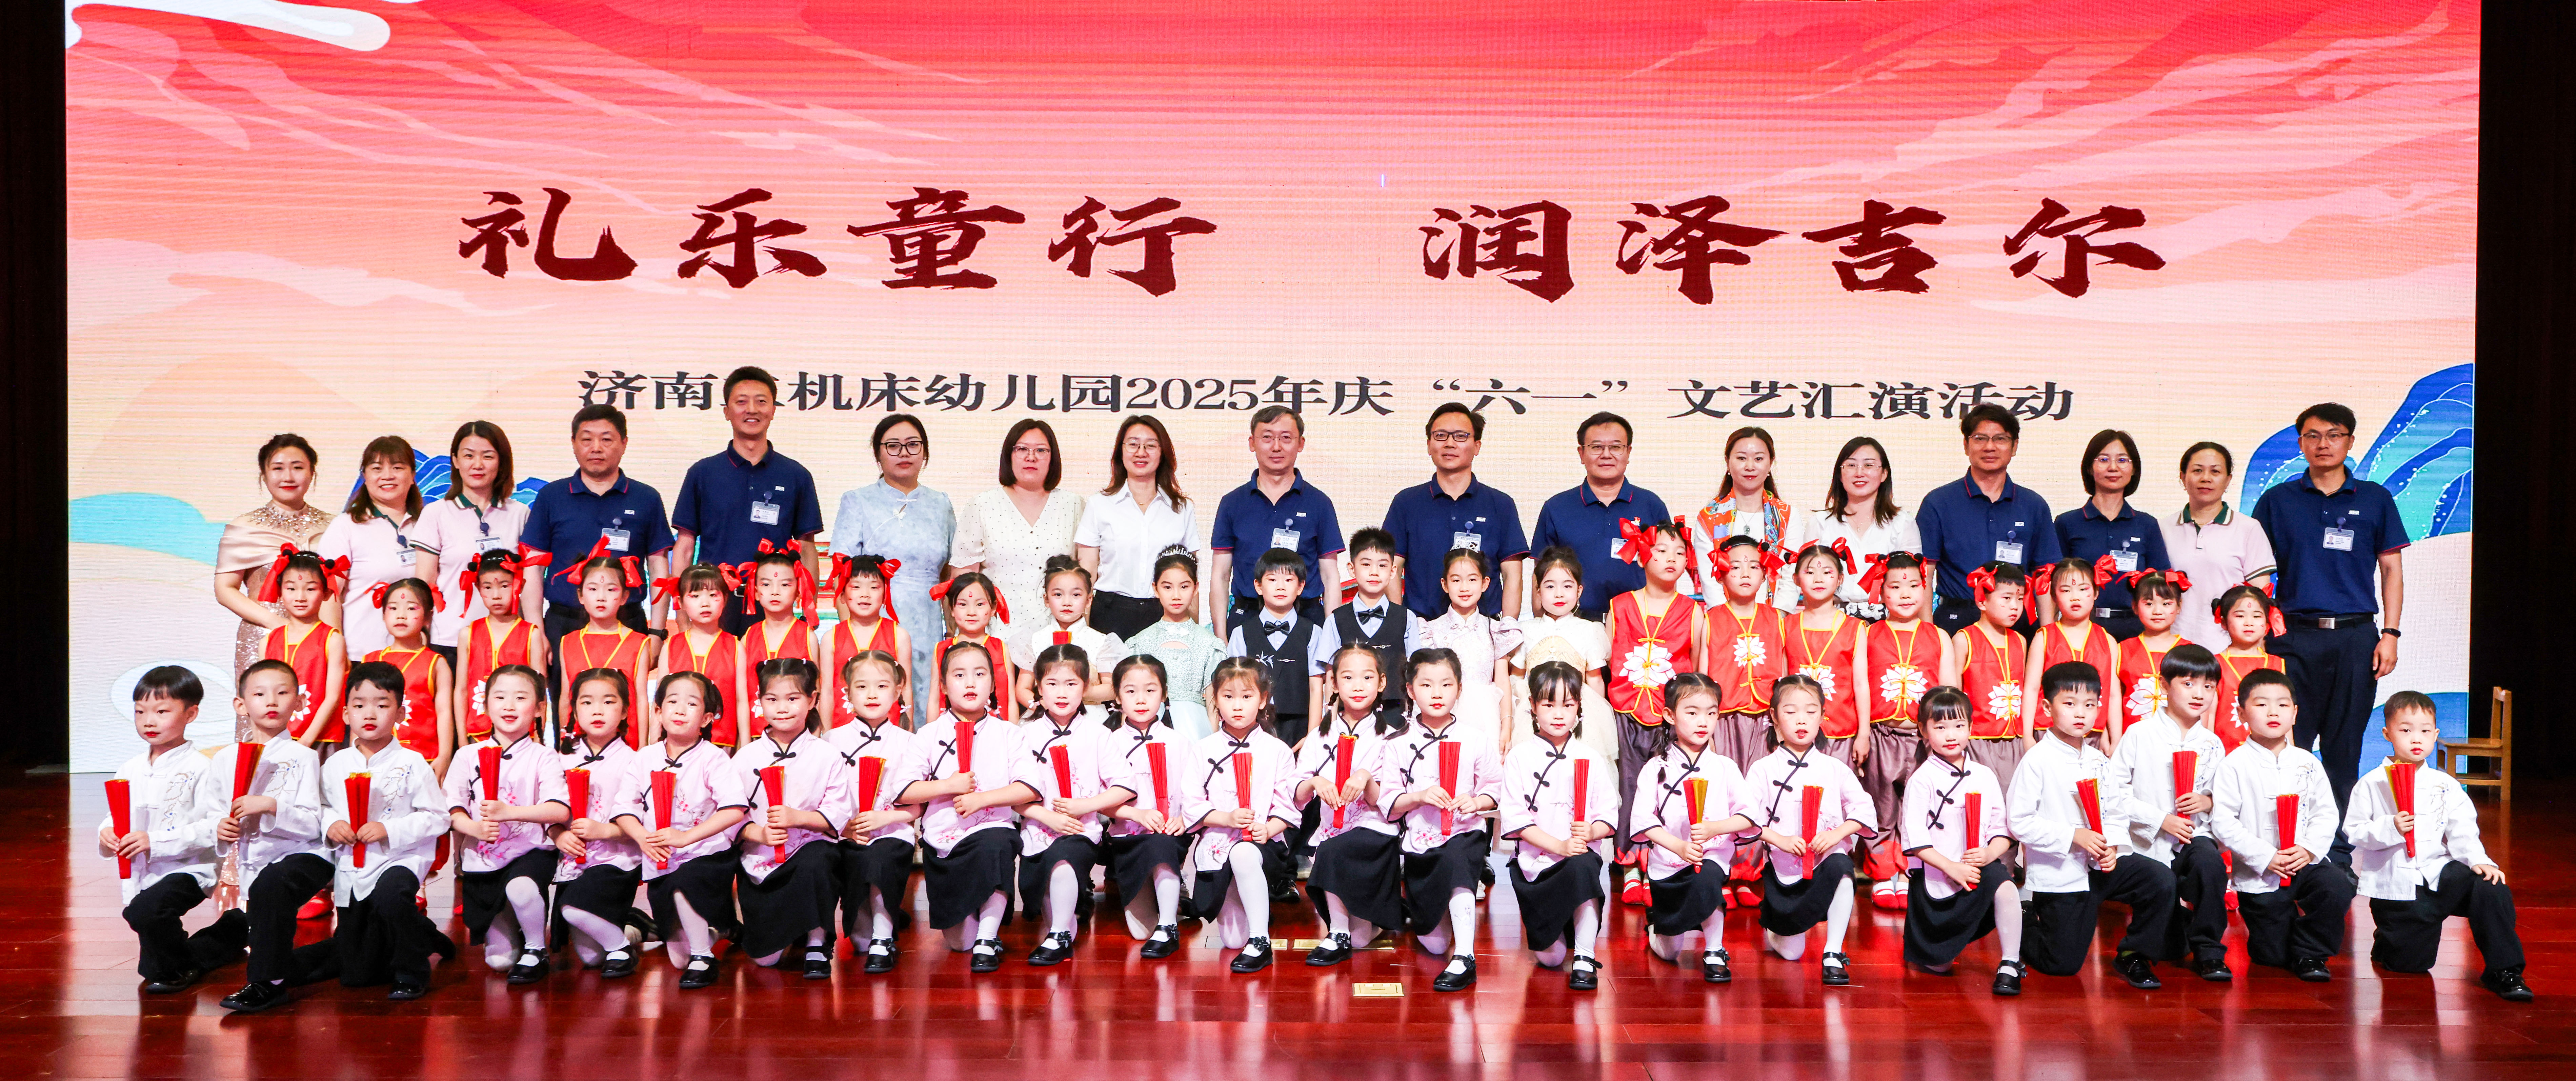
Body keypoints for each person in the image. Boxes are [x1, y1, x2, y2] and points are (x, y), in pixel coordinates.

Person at [2251, 403, 2409, 826]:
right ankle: (2285, 838)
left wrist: (2390, 634)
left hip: (2355, 639)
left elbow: (2391, 570)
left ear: (2350, 442)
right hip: (2291, 638)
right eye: (2313, 436)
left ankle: (2337, 846)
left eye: (2334, 435)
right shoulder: (2277, 501)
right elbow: (2256, 571)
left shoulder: (2375, 499)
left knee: (2344, 747)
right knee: (2287, 743)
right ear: (2300, 443)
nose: (2324, 444)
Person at [2344, 692, 2533, 1001]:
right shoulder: (2371, 783)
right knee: (2409, 965)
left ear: (2436, 735)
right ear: (2388, 734)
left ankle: (2505, 971)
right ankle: (2388, 939)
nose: (2416, 738)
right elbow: (2354, 831)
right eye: (2406, 730)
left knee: (2490, 885)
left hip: (2438, 873)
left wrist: (2478, 859)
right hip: (2400, 886)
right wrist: (2390, 827)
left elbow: (2463, 829)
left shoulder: (2445, 784)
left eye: (2425, 730)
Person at [2006, 662, 2174, 990]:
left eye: (2090, 704)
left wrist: (2113, 846)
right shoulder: (2037, 760)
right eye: (2069, 704)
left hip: (2101, 866)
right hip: (2062, 873)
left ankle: (2134, 954)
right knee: (2062, 965)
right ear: (2047, 708)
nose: (2080, 713)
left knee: (2159, 879)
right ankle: (2024, 917)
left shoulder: (2099, 760)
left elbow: (2115, 811)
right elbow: (2019, 822)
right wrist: (2073, 836)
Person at [308, 662, 457, 998]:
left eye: (382, 704)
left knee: (392, 899)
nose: (369, 713)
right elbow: (321, 807)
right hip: (353, 863)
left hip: (399, 858)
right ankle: (426, 935)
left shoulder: (413, 763)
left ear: (400, 713)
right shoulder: (335, 765)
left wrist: (388, 829)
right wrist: (332, 824)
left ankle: (412, 973)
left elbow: (438, 817)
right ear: (346, 714)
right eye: (360, 705)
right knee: (358, 976)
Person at [104, 665, 244, 994]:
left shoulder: (202, 767)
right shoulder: (130, 767)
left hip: (189, 868)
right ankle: (233, 931)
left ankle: (186, 962)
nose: (148, 721)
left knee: (148, 915)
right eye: (140, 712)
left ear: (191, 714)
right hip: (144, 869)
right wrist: (107, 830)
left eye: (162, 712)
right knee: (152, 965)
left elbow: (214, 827)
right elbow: (116, 814)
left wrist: (154, 842)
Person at [2210, 668, 2350, 982]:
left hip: (2303, 862)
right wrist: (2265, 856)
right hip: (2261, 872)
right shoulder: (2233, 764)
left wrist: (2308, 849)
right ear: (2241, 713)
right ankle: (2283, 936)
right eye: (2262, 705)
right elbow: (2223, 821)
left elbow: (2326, 813)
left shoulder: (2308, 762)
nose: (2273, 712)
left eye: (2283, 705)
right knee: (2271, 957)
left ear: (2295, 714)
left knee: (2337, 885)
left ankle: (2311, 953)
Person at [890, 642, 1021, 973]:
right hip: (944, 842)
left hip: (991, 831)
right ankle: (977, 931)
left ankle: (988, 938)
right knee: (960, 942)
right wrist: (948, 786)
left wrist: (982, 799)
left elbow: (1028, 787)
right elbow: (903, 791)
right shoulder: (928, 734)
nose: (971, 683)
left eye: (980, 674)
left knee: (999, 841)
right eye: (960, 675)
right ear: (945, 686)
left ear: (993, 683)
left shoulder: (1009, 733)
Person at [1378, 648, 1505, 992]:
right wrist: (1419, 796)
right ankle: (1432, 914)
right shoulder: (1396, 744)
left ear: (1459, 689)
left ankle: (1465, 957)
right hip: (1420, 843)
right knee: (1434, 944)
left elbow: (1495, 789)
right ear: (1410, 690)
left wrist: (1476, 802)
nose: (1437, 693)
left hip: (1464, 833)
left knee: (1458, 862)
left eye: (1446, 685)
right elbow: (1389, 802)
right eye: (1427, 685)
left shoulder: (1475, 738)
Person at [2106, 644, 2231, 981]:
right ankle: (2134, 954)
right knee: (2166, 930)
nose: (2199, 694)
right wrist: (2160, 819)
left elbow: (2224, 797)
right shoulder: (2139, 734)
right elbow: (2113, 793)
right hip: (2147, 839)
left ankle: (2209, 952)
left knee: (2210, 864)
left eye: (2208, 686)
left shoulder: (2212, 743)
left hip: (2193, 835)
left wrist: (2208, 801)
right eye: (2188, 684)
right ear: (2164, 685)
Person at [617, 668, 748, 990]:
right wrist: (643, 839)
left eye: (692, 704)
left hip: (705, 855)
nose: (680, 710)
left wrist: (687, 837)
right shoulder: (643, 758)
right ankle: (721, 931)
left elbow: (735, 809)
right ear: (658, 711)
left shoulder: (714, 758)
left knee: (684, 885)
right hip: (660, 857)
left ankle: (705, 957)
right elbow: (623, 810)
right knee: (678, 958)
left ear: (706, 718)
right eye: (672, 702)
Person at [213, 661, 330, 1013]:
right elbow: (212, 811)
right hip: (255, 861)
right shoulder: (224, 759)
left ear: (299, 702)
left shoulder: (304, 757)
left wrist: (270, 806)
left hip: (304, 854)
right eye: (260, 694)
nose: (272, 701)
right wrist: (219, 828)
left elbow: (312, 824)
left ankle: (267, 984)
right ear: (241, 704)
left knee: (271, 885)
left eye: (282, 693)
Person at [1741, 674, 1873, 986]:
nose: (1802, 719)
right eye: (1791, 711)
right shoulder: (1762, 769)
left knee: (1842, 867)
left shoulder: (1835, 768)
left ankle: (1833, 952)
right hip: (1784, 870)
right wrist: (1780, 840)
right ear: (1774, 716)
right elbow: (1746, 819)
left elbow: (1864, 810)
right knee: (1791, 953)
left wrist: (1837, 834)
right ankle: (1775, 926)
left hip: (1824, 861)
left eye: (1811, 711)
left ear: (1823, 716)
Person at [672, 367, 823, 635]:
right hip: (714, 604)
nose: (752, 409)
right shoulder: (703, 473)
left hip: (774, 607)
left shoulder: (796, 475)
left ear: (773, 410)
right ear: (727, 411)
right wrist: (682, 616)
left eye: (761, 401)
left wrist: (808, 610)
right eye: (741, 402)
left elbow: (807, 548)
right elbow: (684, 548)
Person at [518, 404, 673, 661]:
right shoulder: (551, 497)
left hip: (628, 624)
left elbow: (659, 568)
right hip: (564, 624)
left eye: (607, 440)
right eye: (587, 440)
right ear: (573, 444)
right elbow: (533, 567)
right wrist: (536, 632)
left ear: (624, 444)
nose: (596, 448)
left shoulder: (646, 498)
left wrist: (657, 632)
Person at [831, 413, 956, 726]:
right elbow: (841, 577)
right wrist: (852, 634)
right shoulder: (857, 501)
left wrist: (953, 631)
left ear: (925, 452)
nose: (904, 453)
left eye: (913, 445)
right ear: (878, 453)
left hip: (927, 622)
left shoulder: (941, 503)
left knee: (926, 703)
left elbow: (948, 577)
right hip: (874, 621)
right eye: (893, 446)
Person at [1897, 687, 2024, 994]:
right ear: (1923, 730)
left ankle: (2010, 963)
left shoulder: (1984, 774)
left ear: (1970, 727)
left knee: (2006, 886)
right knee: (1939, 965)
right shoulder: (1921, 779)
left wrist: (1989, 854)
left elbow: (2002, 829)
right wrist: (1952, 867)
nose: (1951, 735)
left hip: (1979, 866)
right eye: (1940, 727)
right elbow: (1915, 839)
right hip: (1937, 873)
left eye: (1958, 725)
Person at [1498, 661, 1616, 990]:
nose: (1559, 714)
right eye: (1549, 705)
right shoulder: (1519, 757)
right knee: (1551, 958)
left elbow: (1608, 814)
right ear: (1533, 706)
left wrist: (1592, 832)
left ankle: (1585, 956)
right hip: (1536, 865)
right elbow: (1518, 820)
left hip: (1578, 857)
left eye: (1568, 705)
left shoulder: (1590, 757)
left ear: (1579, 707)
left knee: (1584, 867)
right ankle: (1560, 929)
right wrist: (1559, 846)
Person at [732, 658, 851, 979]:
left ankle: (817, 941)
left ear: (812, 700)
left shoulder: (827, 754)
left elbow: (838, 813)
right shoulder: (744, 758)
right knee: (765, 960)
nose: (782, 708)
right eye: (772, 699)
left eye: (793, 698)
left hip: (807, 853)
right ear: (760, 702)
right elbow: (731, 816)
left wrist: (798, 818)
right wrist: (758, 834)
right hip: (761, 860)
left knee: (821, 856)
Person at [1182, 658, 1302, 975]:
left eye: (1247, 697)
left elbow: (1288, 806)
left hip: (1262, 844)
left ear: (1263, 699)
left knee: (1245, 853)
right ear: (1215, 699)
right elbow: (1191, 805)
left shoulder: (1278, 750)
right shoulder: (1202, 749)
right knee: (1233, 940)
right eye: (1228, 696)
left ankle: (1261, 940)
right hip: (1218, 844)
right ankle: (1254, 907)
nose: (1237, 706)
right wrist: (1226, 818)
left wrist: (1270, 828)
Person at [1631, 673, 1753, 982]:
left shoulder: (1725, 767)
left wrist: (1715, 829)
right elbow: (1644, 822)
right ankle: (1657, 929)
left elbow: (1749, 817)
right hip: (1668, 865)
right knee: (1669, 952)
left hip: (1710, 857)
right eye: (1692, 712)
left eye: (1711, 713)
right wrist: (1680, 847)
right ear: (1669, 715)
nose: (1703, 722)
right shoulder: (1655, 767)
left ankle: (1715, 949)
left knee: (1710, 877)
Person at [1604, 520, 1702, 903]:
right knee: (1629, 788)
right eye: (1661, 551)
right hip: (1626, 713)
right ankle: (1630, 864)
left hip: (1670, 719)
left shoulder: (1693, 612)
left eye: (1679, 552)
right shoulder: (1619, 606)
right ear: (1643, 555)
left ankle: (1660, 864)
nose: (1671, 559)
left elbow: (1698, 671)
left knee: (1667, 790)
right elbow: (1608, 663)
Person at [446, 664, 563, 984]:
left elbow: (558, 810)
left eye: (521, 698)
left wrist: (510, 812)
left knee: (521, 888)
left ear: (539, 708)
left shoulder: (544, 756)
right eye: (500, 697)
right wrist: (473, 828)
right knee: (499, 962)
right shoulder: (467, 755)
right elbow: (451, 808)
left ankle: (537, 948)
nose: (509, 705)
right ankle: (519, 926)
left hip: (530, 851)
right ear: (485, 705)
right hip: (483, 859)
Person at [1007, 645, 1118, 967]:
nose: (1062, 693)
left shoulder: (1099, 734)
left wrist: (1087, 805)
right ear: (1039, 688)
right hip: (1037, 829)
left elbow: (1123, 787)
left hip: (1081, 829)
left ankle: (1058, 937)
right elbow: (1014, 794)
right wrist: (1046, 816)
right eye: (1052, 684)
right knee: (1050, 898)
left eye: (1071, 684)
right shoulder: (1025, 735)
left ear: (1086, 686)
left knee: (1064, 863)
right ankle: (1064, 923)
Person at [1859, 552, 1956, 908]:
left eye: (1914, 586)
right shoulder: (1868, 634)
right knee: (1882, 807)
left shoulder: (1939, 636)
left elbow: (1949, 692)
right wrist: (1863, 733)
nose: (1905, 594)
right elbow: (1861, 686)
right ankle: (1883, 873)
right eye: (1896, 587)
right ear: (1882, 591)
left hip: (1922, 740)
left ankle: (1911, 871)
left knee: (1919, 808)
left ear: (1926, 589)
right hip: (1882, 734)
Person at [1299, 645, 1405, 967]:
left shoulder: (1393, 737)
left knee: (1332, 850)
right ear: (1333, 684)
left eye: (1367, 678)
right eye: (1348, 678)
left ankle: (1340, 934)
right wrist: (1316, 782)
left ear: (1382, 682)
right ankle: (1348, 930)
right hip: (1332, 828)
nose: (1358, 686)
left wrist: (1366, 778)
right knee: (1361, 940)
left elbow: (1390, 805)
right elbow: (1297, 793)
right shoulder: (1318, 736)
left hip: (1374, 831)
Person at [1918, 404, 2062, 633]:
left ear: (2015, 446)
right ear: (1966, 445)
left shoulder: (2034, 506)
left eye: (2000, 439)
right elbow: (1925, 574)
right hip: (1956, 619)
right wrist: (1927, 633)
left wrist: (2049, 635)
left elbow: (2045, 575)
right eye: (1980, 439)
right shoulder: (1938, 502)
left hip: (2015, 621)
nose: (1990, 447)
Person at [540, 665, 645, 976]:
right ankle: (635, 928)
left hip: (616, 859)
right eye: (587, 702)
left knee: (574, 910)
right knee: (591, 958)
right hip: (574, 859)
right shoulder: (560, 758)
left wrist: (606, 830)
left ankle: (622, 947)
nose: (597, 710)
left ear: (625, 711)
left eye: (609, 702)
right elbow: (549, 809)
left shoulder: (635, 761)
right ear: (574, 710)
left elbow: (643, 819)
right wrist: (558, 835)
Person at [1384, 403, 1527, 620]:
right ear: (1429, 445)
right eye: (1441, 436)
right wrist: (1400, 624)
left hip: (1485, 627)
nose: (1450, 443)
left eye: (1461, 436)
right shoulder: (1406, 503)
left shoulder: (1501, 504)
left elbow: (1513, 576)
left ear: (1477, 446)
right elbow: (1392, 569)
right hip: (1422, 627)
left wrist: (1507, 630)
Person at [1209, 406, 1345, 634]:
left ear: (1301, 443)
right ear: (1252, 443)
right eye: (1267, 437)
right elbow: (1220, 576)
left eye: (1286, 438)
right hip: (1247, 617)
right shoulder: (1232, 503)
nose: (1276, 447)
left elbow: (1330, 576)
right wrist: (1221, 635)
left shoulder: (1319, 503)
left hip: (1306, 618)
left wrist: (1333, 637)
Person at [827, 651, 920, 975]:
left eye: (882, 686)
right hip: (847, 834)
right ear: (848, 692)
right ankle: (875, 923)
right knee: (859, 941)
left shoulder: (910, 742)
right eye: (862, 686)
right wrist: (845, 828)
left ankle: (885, 937)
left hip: (892, 831)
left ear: (898, 691)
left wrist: (886, 818)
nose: (872, 694)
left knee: (881, 859)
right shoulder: (832, 740)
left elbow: (917, 806)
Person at [952, 419, 1083, 646]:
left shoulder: (1074, 505)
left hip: (1059, 637)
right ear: (1009, 455)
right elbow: (963, 580)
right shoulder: (983, 505)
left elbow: (1085, 575)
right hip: (996, 635)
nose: (1031, 457)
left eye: (1041, 450)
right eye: (1022, 449)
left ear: (1053, 458)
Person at [1529, 412, 1671, 618]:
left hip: (1640, 621)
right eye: (1596, 447)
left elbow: (1668, 567)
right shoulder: (1557, 507)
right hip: (1574, 623)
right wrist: (1543, 622)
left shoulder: (1651, 505)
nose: (1606, 455)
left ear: (1628, 452)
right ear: (1581, 453)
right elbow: (1541, 573)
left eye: (1616, 447)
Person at [215, 434, 336, 677]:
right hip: (265, 637)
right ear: (264, 475)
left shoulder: (334, 527)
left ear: (312, 473)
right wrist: (280, 625)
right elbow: (225, 589)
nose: (288, 477)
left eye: (298, 468)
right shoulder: (245, 527)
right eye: (278, 468)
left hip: (321, 642)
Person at [1100, 656, 1194, 958]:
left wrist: (1184, 818)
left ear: (1164, 694)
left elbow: (1195, 793)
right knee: (1140, 932)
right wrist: (1136, 814)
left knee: (1161, 844)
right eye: (1131, 691)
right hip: (1128, 839)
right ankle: (1165, 895)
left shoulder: (1180, 742)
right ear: (1117, 697)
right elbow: (1100, 803)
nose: (1141, 699)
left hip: (1168, 836)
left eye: (1151, 690)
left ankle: (1169, 925)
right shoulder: (1109, 743)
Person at [1079, 414, 1197, 639]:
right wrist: (1082, 632)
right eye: (1133, 444)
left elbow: (1190, 574)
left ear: (1163, 453)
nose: (1141, 452)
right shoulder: (1099, 504)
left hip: (1165, 613)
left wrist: (1194, 633)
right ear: (1120, 452)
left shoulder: (1182, 509)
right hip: (1110, 614)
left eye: (1151, 446)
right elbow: (1086, 575)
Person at [417, 421, 528, 660]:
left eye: (488, 456)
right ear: (456, 461)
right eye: (469, 456)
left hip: (507, 639)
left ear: (501, 462)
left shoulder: (520, 513)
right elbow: (424, 583)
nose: (478, 465)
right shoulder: (436, 513)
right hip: (449, 639)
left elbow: (529, 582)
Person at [318, 435, 429, 658]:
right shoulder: (346, 526)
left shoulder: (428, 524)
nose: (387, 476)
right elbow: (328, 596)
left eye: (397, 467)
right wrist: (336, 654)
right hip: (361, 655)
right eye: (377, 468)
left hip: (419, 656)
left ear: (413, 476)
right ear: (365, 477)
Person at [2054, 430, 2170, 640]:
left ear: (2134, 469)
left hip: (2136, 632)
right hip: (2081, 629)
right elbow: (2052, 583)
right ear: (2089, 468)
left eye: (2122, 460)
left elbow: (2162, 585)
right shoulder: (2067, 523)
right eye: (2104, 460)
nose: (2113, 468)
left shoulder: (2147, 525)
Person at [1792, 436, 1921, 620]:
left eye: (1869, 465)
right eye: (1851, 465)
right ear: (1840, 474)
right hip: (1832, 618)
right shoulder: (1820, 523)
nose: (1860, 473)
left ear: (1884, 474)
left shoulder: (1903, 523)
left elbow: (1914, 581)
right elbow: (1808, 581)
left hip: (1891, 618)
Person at [2162, 442, 2274, 649]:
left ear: (2228, 480)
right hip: (2172, 646)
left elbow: (2261, 598)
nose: (2206, 478)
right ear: (2183, 477)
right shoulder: (2163, 528)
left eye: (2215, 472)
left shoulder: (2249, 529)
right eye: (2197, 471)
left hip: (2229, 648)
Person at [1510, 548, 1614, 760]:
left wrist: (1596, 716)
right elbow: (1517, 676)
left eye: (1568, 586)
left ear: (1579, 591)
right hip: (1534, 711)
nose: (1559, 594)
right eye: (1550, 586)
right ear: (1538, 591)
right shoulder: (1526, 630)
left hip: (1577, 710)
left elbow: (1595, 680)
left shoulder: (1589, 630)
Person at [1417, 549, 1524, 751]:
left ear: (1485, 584)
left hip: (1487, 718)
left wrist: (1506, 727)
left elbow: (1503, 681)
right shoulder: (1430, 630)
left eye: (1472, 580)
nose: (1464, 588)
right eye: (1456, 580)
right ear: (1445, 585)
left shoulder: (1496, 630)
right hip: (1442, 716)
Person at [1225, 549, 1327, 749]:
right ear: (1258, 586)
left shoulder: (1314, 632)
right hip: (1254, 728)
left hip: (1300, 727)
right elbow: (1235, 686)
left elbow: (1317, 687)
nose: (1281, 587)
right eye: (1272, 580)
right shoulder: (1241, 633)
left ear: (1301, 586)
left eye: (1289, 580)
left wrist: (1312, 736)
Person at [1314, 529, 1423, 718]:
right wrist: (1330, 722)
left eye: (1382, 566)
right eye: (1366, 564)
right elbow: (1331, 676)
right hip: (1348, 717)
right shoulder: (1336, 620)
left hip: (1395, 716)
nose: (1374, 572)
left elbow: (1415, 673)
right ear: (1352, 569)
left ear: (1393, 571)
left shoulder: (1408, 618)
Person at [1124, 549, 1227, 740]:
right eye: (1168, 587)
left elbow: (1213, 705)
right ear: (1156, 589)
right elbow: (1129, 699)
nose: (1176, 595)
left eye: (1184, 587)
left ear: (1196, 588)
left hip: (1196, 729)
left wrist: (1212, 745)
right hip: (1148, 728)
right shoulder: (1140, 643)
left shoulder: (1210, 644)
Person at [1689, 427, 1798, 609]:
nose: (1750, 466)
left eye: (1759, 459)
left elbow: (1791, 574)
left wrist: (1779, 615)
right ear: (1727, 462)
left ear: (1771, 463)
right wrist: (1726, 618)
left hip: (1775, 618)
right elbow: (1710, 579)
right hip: (1724, 618)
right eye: (1741, 458)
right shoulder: (1710, 518)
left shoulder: (1787, 516)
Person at [1782, 543, 1869, 766]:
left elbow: (1861, 685)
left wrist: (1864, 734)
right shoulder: (1786, 626)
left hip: (1842, 734)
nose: (1818, 579)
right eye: (1810, 572)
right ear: (1796, 579)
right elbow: (1781, 682)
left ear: (1840, 579)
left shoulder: (1855, 628)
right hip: (1796, 733)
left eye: (1827, 572)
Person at [252, 548, 348, 746]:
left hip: (320, 740)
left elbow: (333, 698)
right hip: (274, 739)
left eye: (311, 589)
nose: (301, 597)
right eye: (291, 589)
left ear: (326, 593)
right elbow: (260, 694)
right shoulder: (268, 642)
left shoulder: (333, 640)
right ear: (280, 592)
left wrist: (305, 742)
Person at [555, 557, 653, 749]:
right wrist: (562, 742)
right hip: (579, 744)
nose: (601, 597)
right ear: (581, 596)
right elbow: (566, 697)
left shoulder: (638, 643)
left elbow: (641, 700)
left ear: (625, 597)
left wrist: (643, 748)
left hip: (626, 745)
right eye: (593, 589)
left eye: (611, 590)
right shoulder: (569, 642)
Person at [2023, 559, 2124, 745]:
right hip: (2049, 732)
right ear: (2054, 596)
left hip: (2093, 733)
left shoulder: (2108, 641)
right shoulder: (2044, 638)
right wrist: (2027, 736)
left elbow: (2113, 695)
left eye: (2083, 589)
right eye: (2066, 590)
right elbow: (2031, 689)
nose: (2075, 597)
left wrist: (2115, 738)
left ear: (2096, 593)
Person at [1954, 563, 2033, 791]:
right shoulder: (1964, 639)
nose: (2015, 606)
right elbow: (1955, 695)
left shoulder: (2021, 641)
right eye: (2006, 598)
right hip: (1978, 739)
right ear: (1982, 601)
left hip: (2016, 738)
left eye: (2020, 599)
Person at [454, 550, 546, 746]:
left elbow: (541, 690)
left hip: (522, 735)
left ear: (520, 585)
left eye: (505, 586)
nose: (496, 596)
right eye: (488, 587)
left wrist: (539, 736)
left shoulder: (532, 634)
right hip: (478, 735)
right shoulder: (468, 634)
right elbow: (461, 690)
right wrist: (462, 739)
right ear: (478, 587)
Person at [1011, 556, 1124, 713]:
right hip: (1045, 715)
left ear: (1089, 600)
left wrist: (1077, 692)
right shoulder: (1035, 640)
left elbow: (1111, 688)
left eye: (1076, 595)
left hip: (1090, 716)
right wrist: (1041, 707)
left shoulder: (1101, 641)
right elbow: (1022, 689)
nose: (1067, 602)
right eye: (1058, 595)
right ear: (1047, 599)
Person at [363, 578, 454, 773]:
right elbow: (359, 709)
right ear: (384, 614)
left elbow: (445, 712)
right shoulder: (370, 661)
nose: (401, 615)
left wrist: (445, 756)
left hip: (424, 759)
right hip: (375, 759)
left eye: (412, 609)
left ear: (429, 615)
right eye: (393, 608)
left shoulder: (436, 664)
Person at [660, 563, 749, 748]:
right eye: (695, 596)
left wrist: (746, 748)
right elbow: (660, 701)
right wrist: (654, 744)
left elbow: (742, 702)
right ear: (681, 603)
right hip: (676, 745)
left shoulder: (736, 647)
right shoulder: (671, 646)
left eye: (713, 595)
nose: (705, 603)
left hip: (722, 746)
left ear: (725, 599)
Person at [823, 554, 913, 728]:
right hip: (843, 730)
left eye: (874, 587)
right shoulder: (830, 638)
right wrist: (826, 734)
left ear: (885, 593)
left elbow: (906, 689)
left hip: (889, 730)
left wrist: (907, 732)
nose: (865, 595)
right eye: (856, 587)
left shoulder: (899, 636)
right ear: (843, 594)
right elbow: (827, 691)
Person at [929, 572, 1015, 723]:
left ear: (993, 608)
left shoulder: (1002, 649)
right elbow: (935, 699)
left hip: (995, 730)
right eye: (963, 605)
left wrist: (1013, 733)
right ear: (952, 609)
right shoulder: (941, 649)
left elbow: (1011, 699)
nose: (971, 612)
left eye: (980, 605)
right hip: (950, 730)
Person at [2210, 584, 2288, 752]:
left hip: (2269, 754)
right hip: (2225, 755)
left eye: (2257, 616)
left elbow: (2285, 718)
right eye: (2240, 616)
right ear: (2224, 622)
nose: (2249, 623)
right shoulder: (2215, 664)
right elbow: (2209, 717)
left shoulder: (2277, 664)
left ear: (2267, 623)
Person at [2114, 569, 2188, 734]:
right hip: (2132, 737)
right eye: (2149, 604)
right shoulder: (2122, 649)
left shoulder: (2190, 651)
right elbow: (2114, 699)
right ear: (2135, 606)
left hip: (2177, 736)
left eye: (2166, 604)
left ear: (2179, 606)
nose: (2157, 611)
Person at [739, 541, 819, 666]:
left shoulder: (808, 638)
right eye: (766, 584)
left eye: (785, 585)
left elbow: (816, 679)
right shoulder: (749, 637)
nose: (775, 592)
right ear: (756, 592)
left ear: (798, 592)